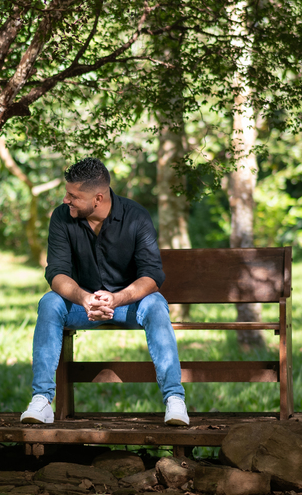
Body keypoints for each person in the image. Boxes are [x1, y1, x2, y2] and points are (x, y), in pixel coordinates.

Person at [21, 157, 189, 426]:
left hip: (128, 305)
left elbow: (152, 276)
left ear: (98, 198)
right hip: (81, 306)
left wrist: (117, 298)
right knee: (50, 303)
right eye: (67, 193)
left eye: (73, 196)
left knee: (156, 304)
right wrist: (85, 298)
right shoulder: (62, 217)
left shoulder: (136, 216)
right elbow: (57, 273)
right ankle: (41, 400)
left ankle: (175, 400)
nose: (66, 199)